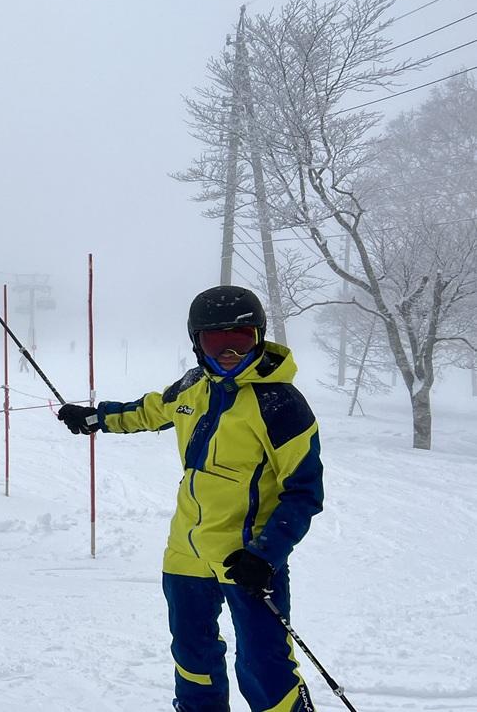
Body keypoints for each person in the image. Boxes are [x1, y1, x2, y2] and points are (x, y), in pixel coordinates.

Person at [56, 286, 323, 712]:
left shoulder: (280, 405)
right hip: (186, 551)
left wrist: (265, 554)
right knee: (192, 652)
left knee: (263, 661)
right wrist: (96, 417)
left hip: (247, 556)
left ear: (260, 337)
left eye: (242, 341)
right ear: (197, 343)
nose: (230, 354)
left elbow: (304, 491)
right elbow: (150, 410)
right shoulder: (194, 385)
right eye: (217, 343)